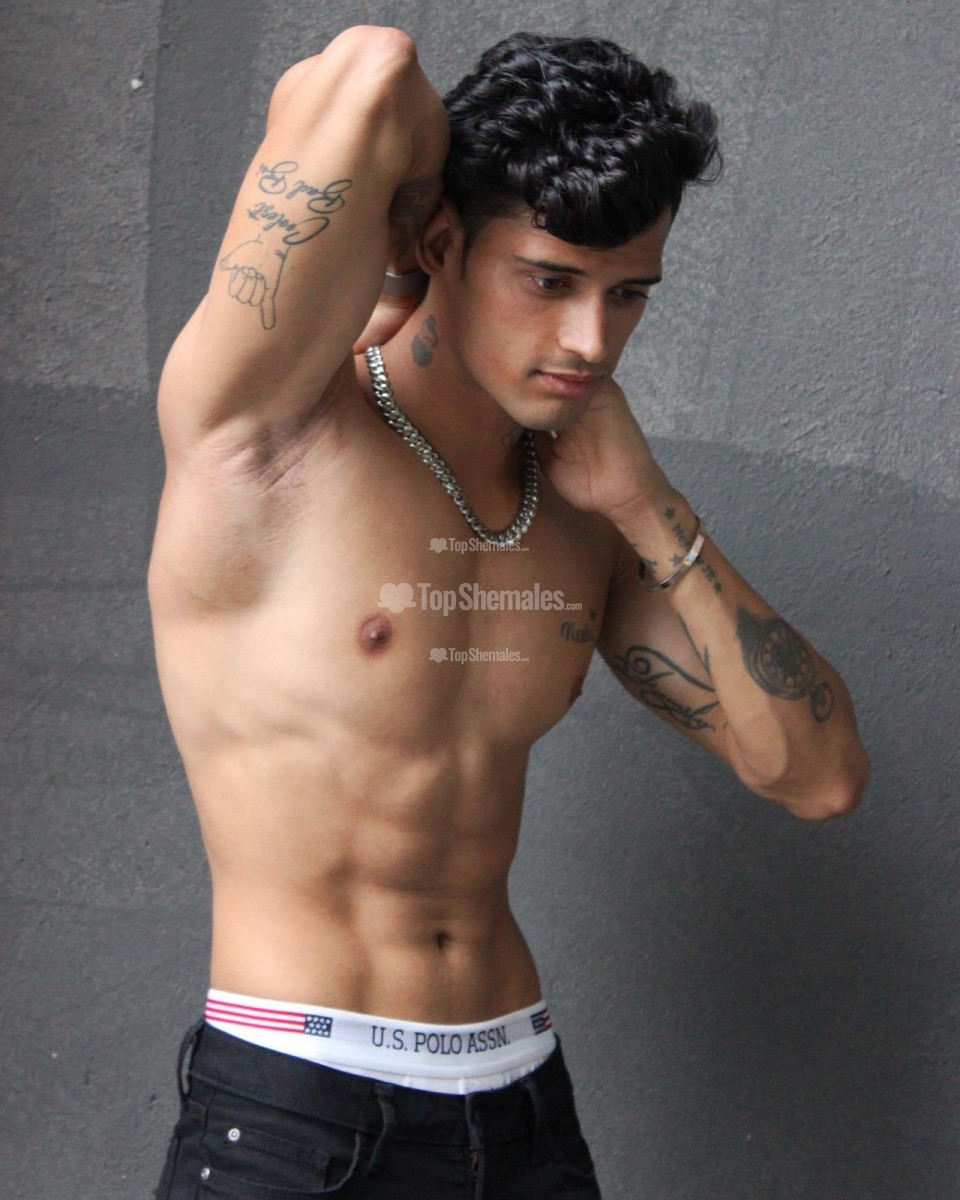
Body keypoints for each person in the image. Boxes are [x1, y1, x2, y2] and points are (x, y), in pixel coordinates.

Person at [149, 24, 870, 1199]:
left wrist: (648, 506)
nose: (591, 341)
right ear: (440, 240)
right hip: (300, 1108)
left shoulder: (585, 520)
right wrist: (398, 268)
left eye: (626, 295)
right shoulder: (271, 431)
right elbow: (370, 69)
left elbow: (818, 778)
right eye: (549, 280)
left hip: (523, 1108)